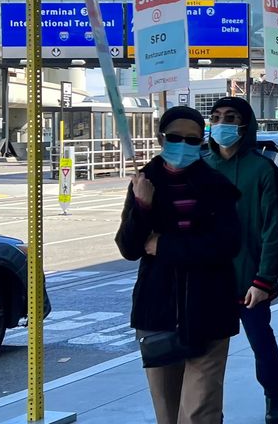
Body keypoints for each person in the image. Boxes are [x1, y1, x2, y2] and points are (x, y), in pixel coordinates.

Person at [115, 106, 241, 424]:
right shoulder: (144, 182)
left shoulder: (217, 186)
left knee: (200, 410)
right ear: (162, 138)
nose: (182, 144)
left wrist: (165, 246)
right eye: (175, 137)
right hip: (157, 309)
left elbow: (226, 245)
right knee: (167, 410)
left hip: (208, 308)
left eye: (192, 139)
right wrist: (142, 206)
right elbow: (129, 248)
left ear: (202, 141)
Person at [203, 97, 278, 423]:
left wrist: (264, 279)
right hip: (209, 281)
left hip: (249, 281)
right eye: (216, 117)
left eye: (230, 117)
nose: (222, 123)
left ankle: (273, 395)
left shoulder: (262, 169)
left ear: (245, 124)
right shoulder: (201, 168)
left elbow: (273, 230)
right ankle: (208, 412)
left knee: (261, 343)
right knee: (206, 356)